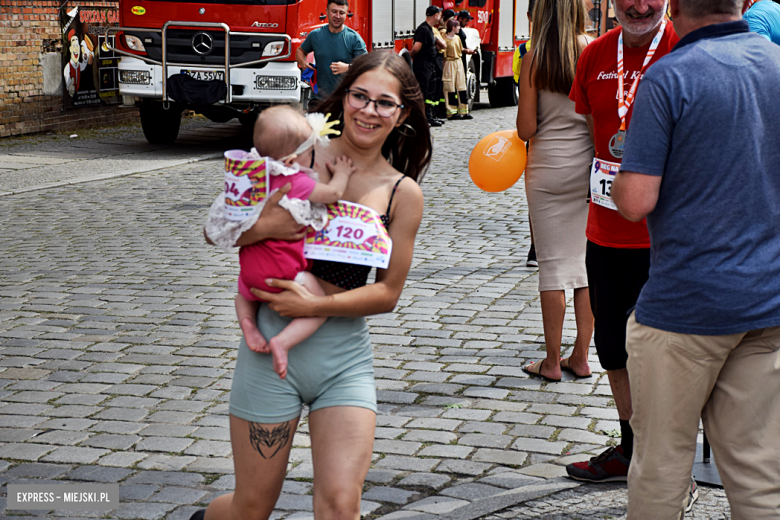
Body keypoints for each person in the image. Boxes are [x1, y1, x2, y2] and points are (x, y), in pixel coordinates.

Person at [194, 51, 430, 520]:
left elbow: (386, 295)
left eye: (385, 103)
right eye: (360, 96)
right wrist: (269, 227)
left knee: (342, 507)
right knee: (251, 507)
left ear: (402, 114)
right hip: (268, 361)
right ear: (344, 99)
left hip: (343, 363)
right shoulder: (294, 159)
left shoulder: (403, 193)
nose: (368, 110)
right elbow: (216, 229)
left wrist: (311, 304)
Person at [612, 0, 780, 517]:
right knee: (759, 474)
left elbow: (637, 202)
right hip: (767, 304)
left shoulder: (668, 77)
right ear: (742, 5)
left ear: (677, 7)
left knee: (661, 466)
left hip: (684, 307)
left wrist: (621, 176)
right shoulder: (776, 64)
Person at [565, 0, 681, 483]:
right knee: (613, 350)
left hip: (669, 239)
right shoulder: (594, 54)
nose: (638, 5)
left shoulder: (682, 49)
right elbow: (586, 133)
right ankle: (632, 448)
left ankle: (668, 458)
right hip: (606, 232)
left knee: (670, 354)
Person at [208, 107, 356, 380]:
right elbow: (333, 194)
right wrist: (343, 172)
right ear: (290, 160)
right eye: (309, 152)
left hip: (251, 276)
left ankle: (248, 325)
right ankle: (283, 342)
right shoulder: (294, 181)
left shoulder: (253, 178)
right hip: (285, 273)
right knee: (319, 304)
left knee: (242, 295)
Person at [517, 0, 593, 385]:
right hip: (585, 170)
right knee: (584, 268)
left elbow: (526, 129)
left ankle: (550, 361)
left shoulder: (533, 58)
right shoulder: (592, 50)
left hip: (546, 171)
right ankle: (580, 356)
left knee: (552, 268)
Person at [511, 0, 538, 269]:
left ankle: (535, 247)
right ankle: (535, 245)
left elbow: (520, 83)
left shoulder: (525, 50)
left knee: (536, 195)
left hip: (537, 134)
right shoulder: (586, 46)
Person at [296, 0, 367, 100]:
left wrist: (347, 67)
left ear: (346, 14)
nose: (337, 16)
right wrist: (303, 63)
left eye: (341, 13)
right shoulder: (315, 35)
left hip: (344, 101)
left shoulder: (354, 38)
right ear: (327, 11)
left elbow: (366, 67)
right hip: (318, 100)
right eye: (334, 11)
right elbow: (300, 50)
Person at [412, 5, 446, 126]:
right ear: (435, 15)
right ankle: (421, 118)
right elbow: (416, 48)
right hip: (423, 64)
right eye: (439, 14)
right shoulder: (423, 29)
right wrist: (411, 55)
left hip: (429, 64)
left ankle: (429, 116)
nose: (441, 16)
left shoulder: (430, 29)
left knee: (430, 91)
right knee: (423, 90)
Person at [442, 19, 475, 119]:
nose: (459, 28)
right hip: (449, 63)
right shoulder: (445, 40)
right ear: (453, 27)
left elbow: (461, 49)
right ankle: (451, 112)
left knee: (461, 86)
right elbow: (443, 56)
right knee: (450, 87)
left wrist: (469, 51)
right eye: (457, 26)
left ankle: (464, 111)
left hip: (458, 62)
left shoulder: (457, 38)